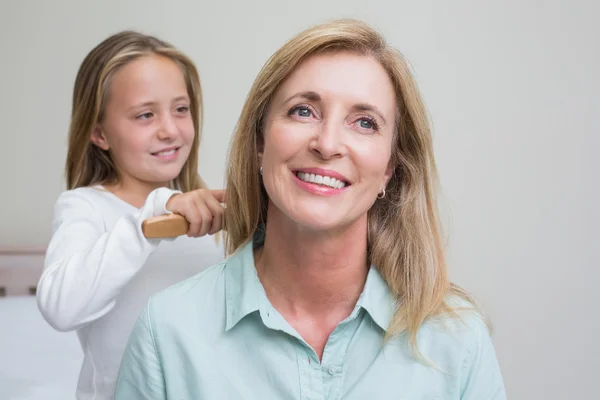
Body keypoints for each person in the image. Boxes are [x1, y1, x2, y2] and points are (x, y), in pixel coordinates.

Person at [115, 19, 506, 399]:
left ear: (389, 168)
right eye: (304, 111)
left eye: (365, 123)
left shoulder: (458, 338)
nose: (328, 143)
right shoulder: (167, 331)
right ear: (260, 143)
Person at [36, 31, 225, 399]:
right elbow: (60, 306)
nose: (170, 129)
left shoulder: (209, 215)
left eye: (181, 109)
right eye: (145, 115)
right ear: (99, 133)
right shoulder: (86, 207)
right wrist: (151, 217)